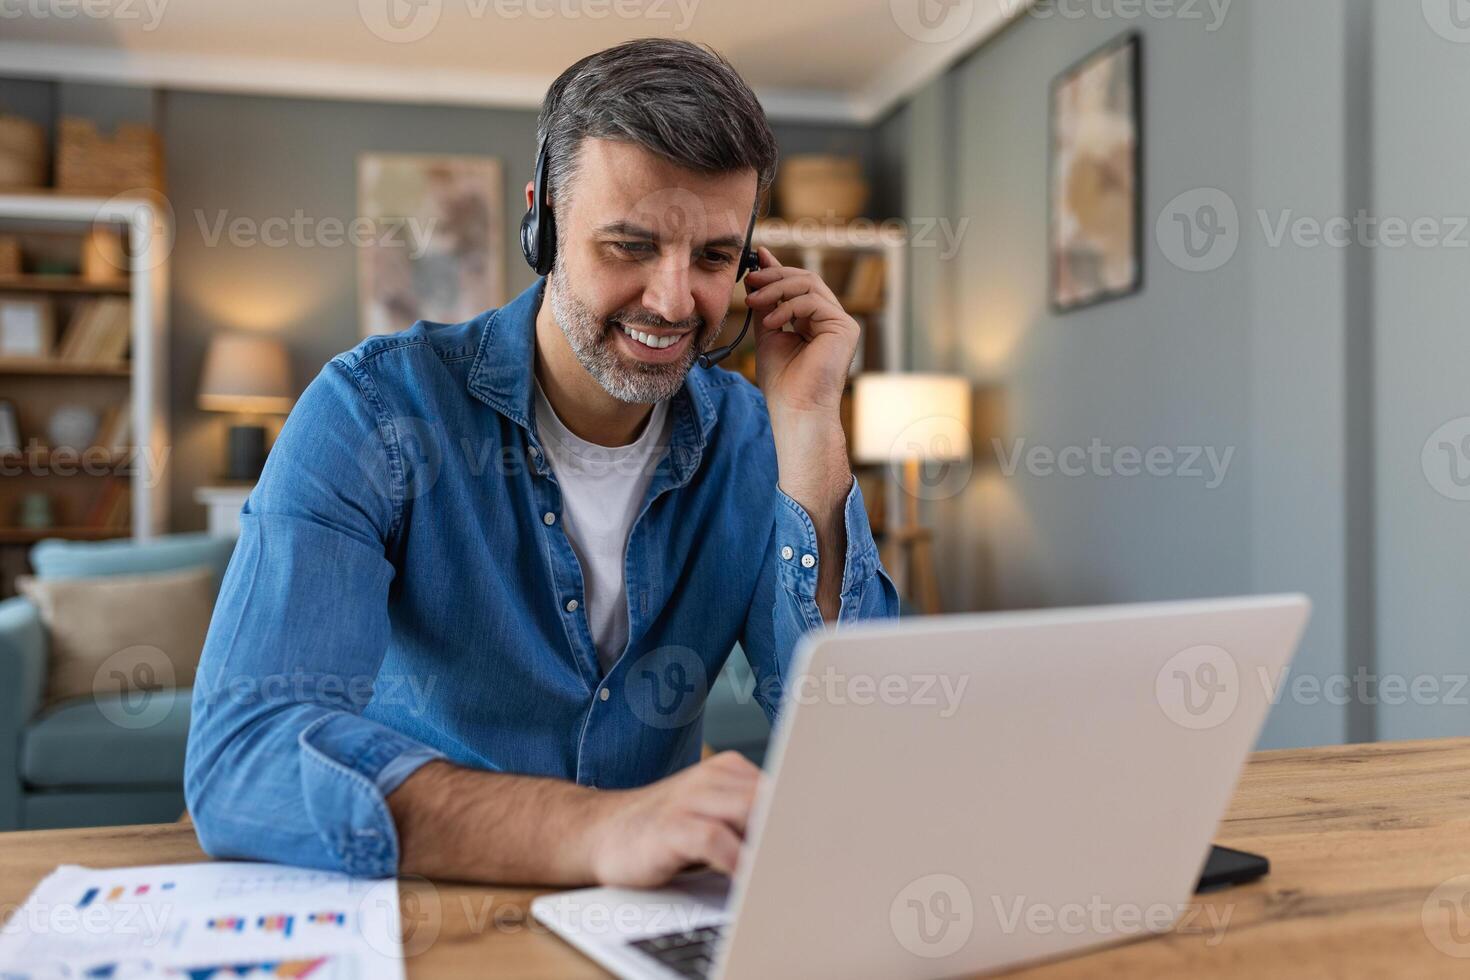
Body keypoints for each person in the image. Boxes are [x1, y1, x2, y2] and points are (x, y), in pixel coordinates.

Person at [185, 38, 899, 887]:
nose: (674, 303)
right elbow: (243, 760)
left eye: (713, 257)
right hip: (432, 909)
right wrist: (598, 830)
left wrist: (811, 428)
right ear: (543, 224)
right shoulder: (372, 412)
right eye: (629, 247)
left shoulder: (756, 441)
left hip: (652, 921)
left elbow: (862, 750)